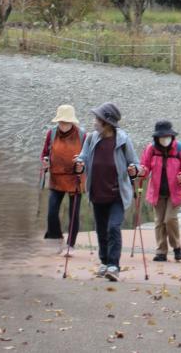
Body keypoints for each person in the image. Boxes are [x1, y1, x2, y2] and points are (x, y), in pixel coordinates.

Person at [74, 102, 140, 282]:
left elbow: (135, 163)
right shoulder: (91, 138)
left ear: (107, 122)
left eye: (97, 119)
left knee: (113, 227)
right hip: (97, 191)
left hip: (117, 194)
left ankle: (114, 266)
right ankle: (104, 262)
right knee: (101, 229)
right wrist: (79, 163)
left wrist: (134, 169)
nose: (94, 122)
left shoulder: (123, 140)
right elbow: (83, 156)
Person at [139, 120, 181, 262]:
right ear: (156, 138)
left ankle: (176, 247)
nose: (164, 139)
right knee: (159, 221)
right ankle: (161, 251)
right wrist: (141, 172)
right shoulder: (151, 149)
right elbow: (144, 166)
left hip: (175, 192)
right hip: (157, 191)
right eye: (161, 136)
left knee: (169, 219)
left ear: (172, 136)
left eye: (167, 136)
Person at [40, 105, 87, 254]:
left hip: (75, 179)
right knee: (52, 212)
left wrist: (82, 163)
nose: (63, 125)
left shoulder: (83, 135)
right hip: (56, 178)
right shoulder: (51, 134)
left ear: (72, 122)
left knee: (73, 213)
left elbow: (88, 158)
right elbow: (44, 154)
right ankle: (56, 238)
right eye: (61, 121)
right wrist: (45, 161)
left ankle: (70, 245)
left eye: (66, 122)